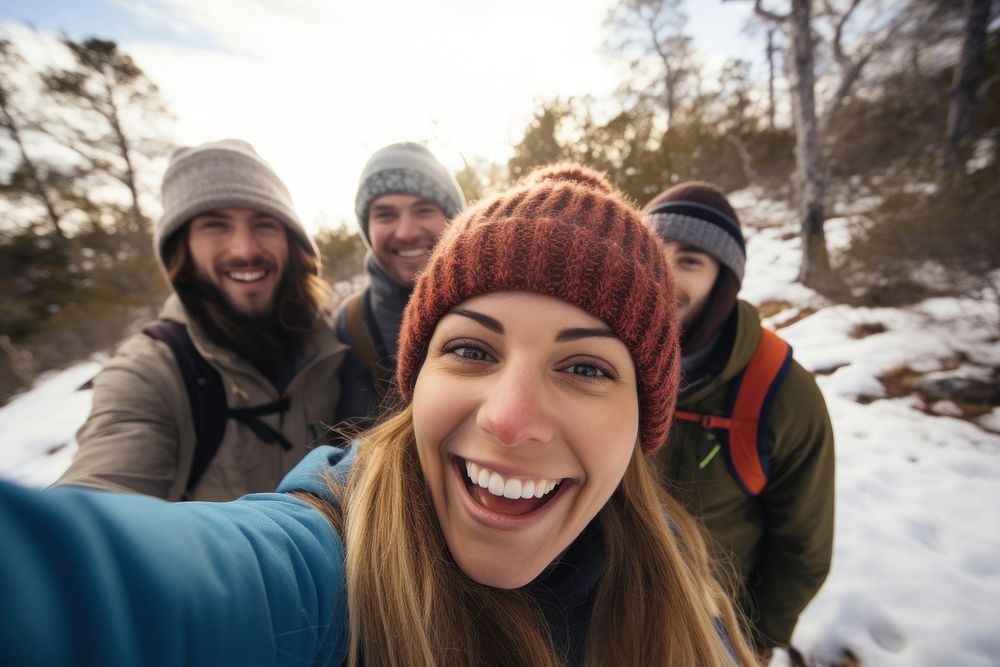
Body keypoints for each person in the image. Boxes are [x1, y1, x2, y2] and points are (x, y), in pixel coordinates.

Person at [1, 164, 756, 667]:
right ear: (414, 377)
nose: (510, 418)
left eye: (586, 366)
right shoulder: (331, 563)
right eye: (471, 350)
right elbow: (112, 586)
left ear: (646, 416)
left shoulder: (679, 583)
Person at [57, 139, 347, 501]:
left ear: (292, 241)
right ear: (184, 248)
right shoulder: (151, 371)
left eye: (264, 224)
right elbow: (100, 497)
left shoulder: (333, 341)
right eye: (216, 225)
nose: (246, 249)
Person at [644, 181, 835, 655]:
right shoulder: (598, 359)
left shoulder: (783, 393)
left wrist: (756, 642)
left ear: (724, 281)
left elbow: (802, 548)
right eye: (653, 250)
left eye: (690, 260)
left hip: (711, 625)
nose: (664, 272)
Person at [333, 142, 465, 427]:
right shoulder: (351, 323)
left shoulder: (496, 304)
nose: (405, 232)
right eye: (386, 214)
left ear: (455, 219)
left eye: (424, 210)